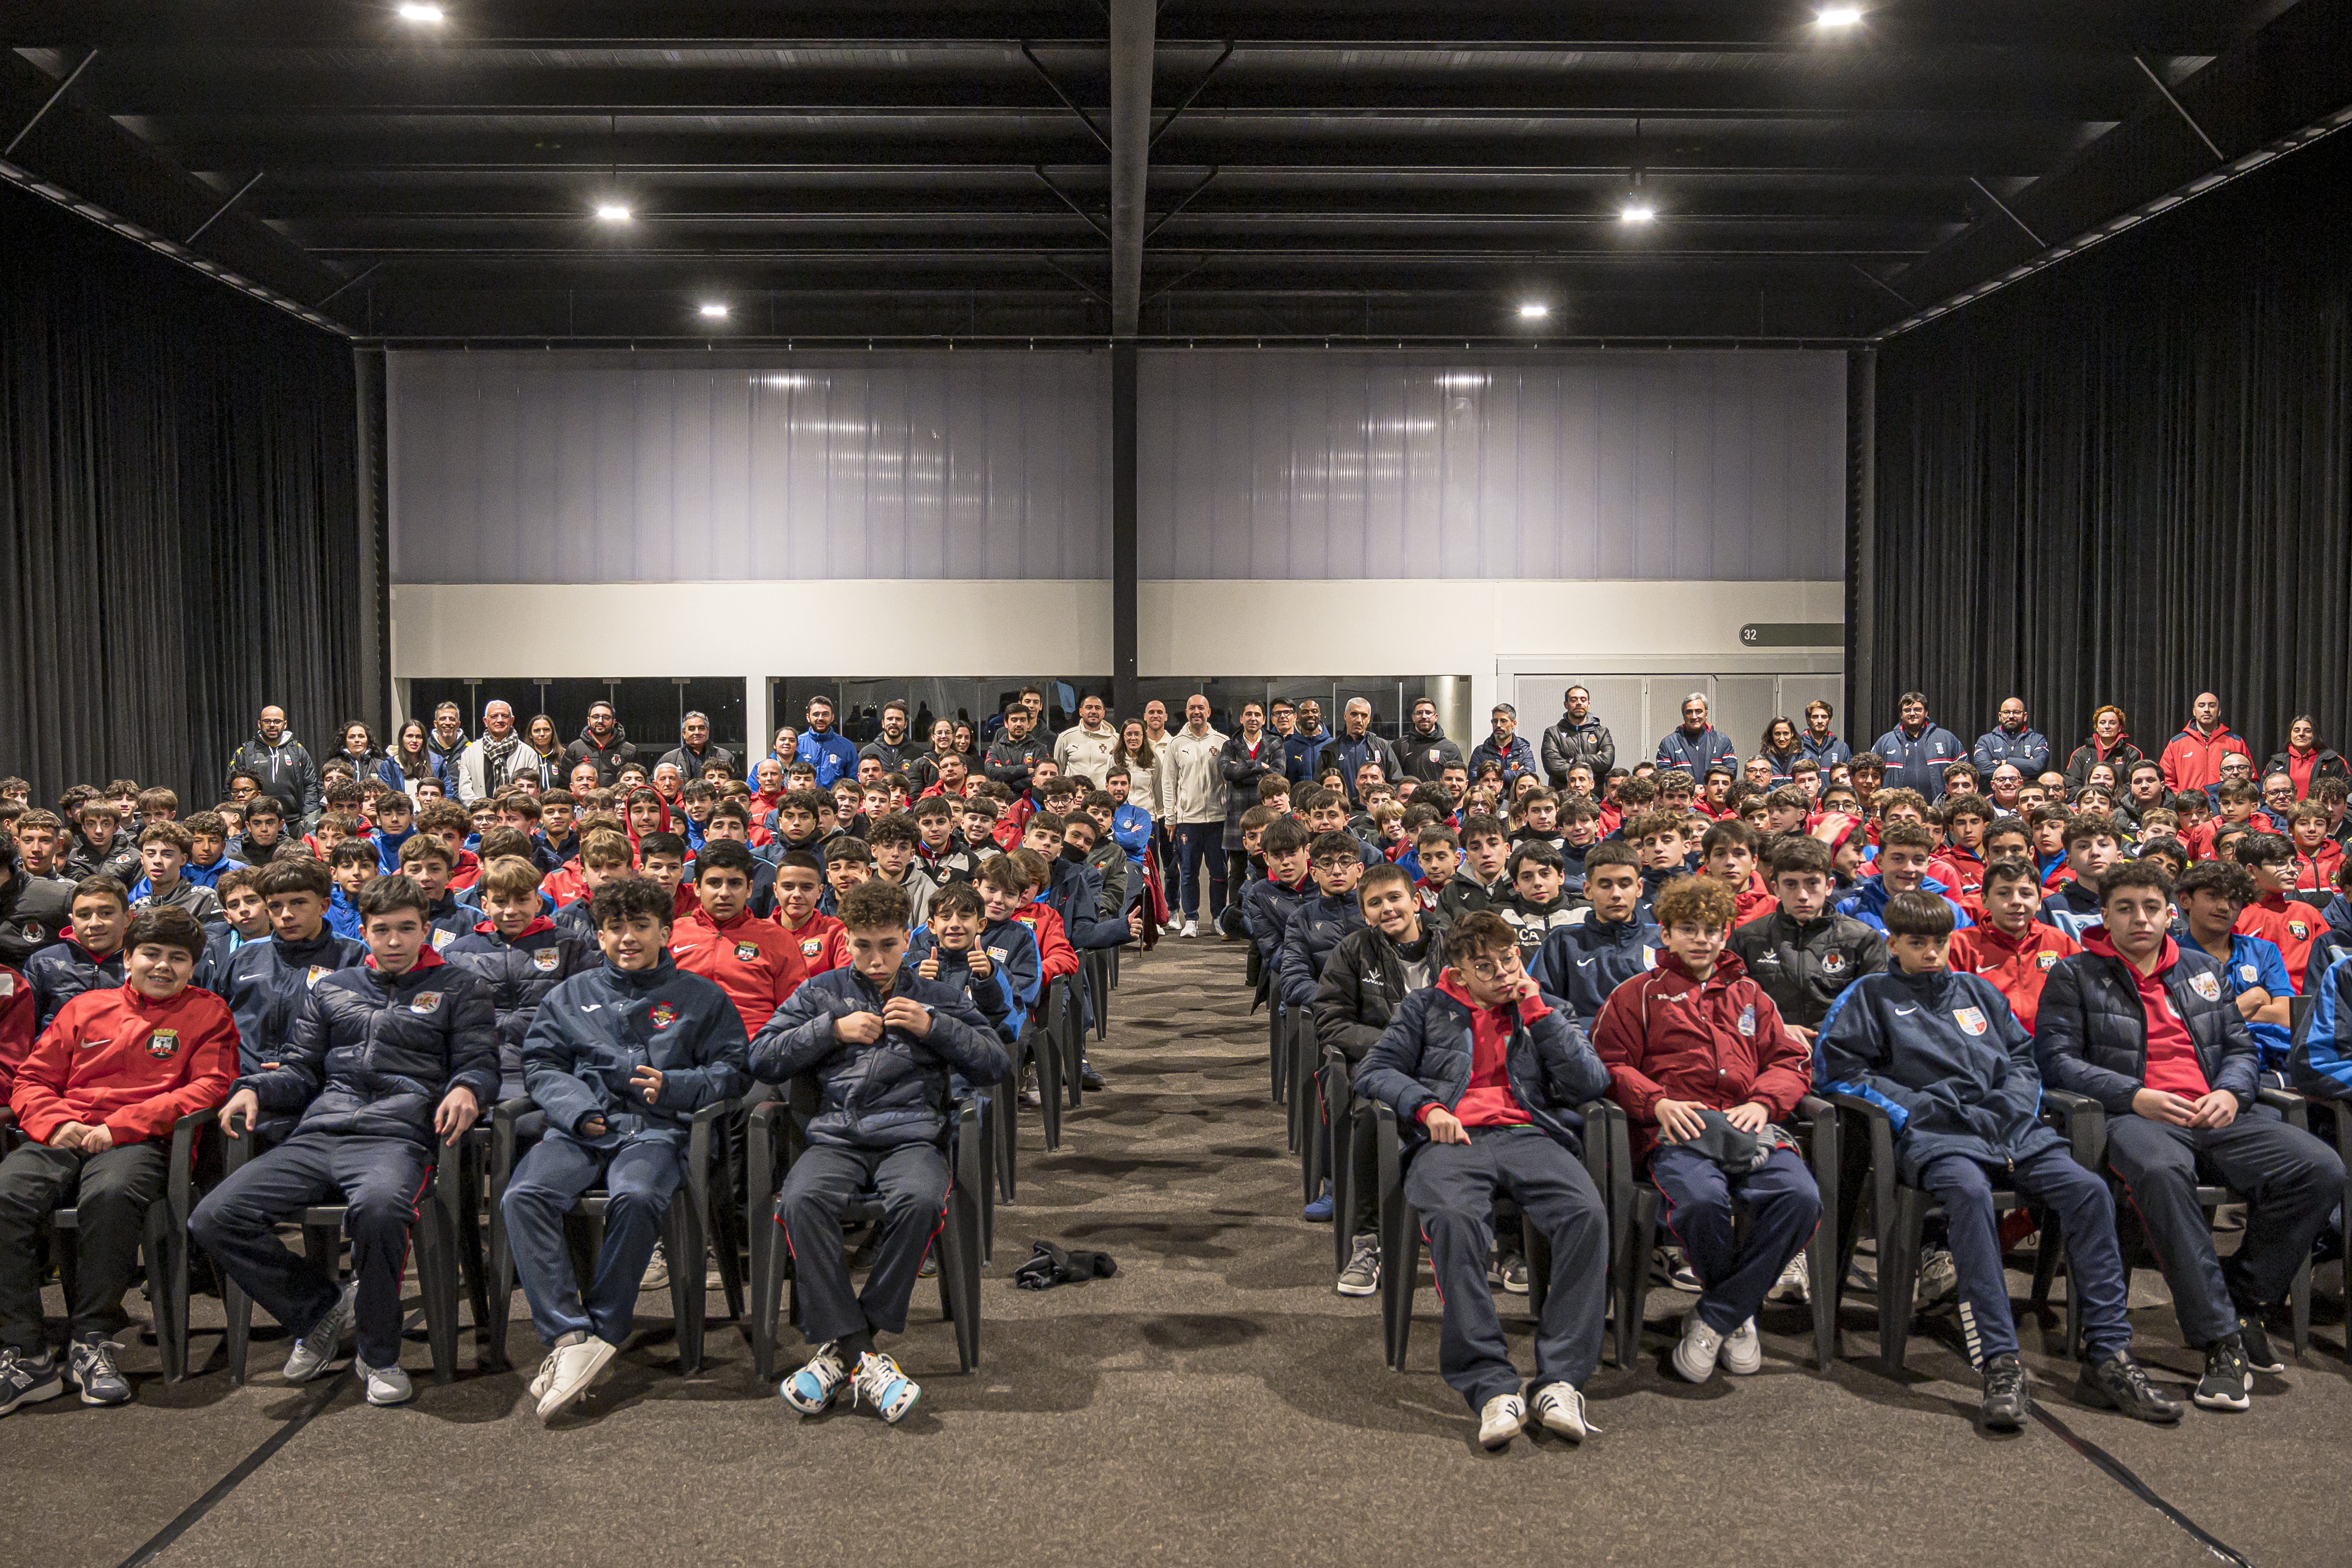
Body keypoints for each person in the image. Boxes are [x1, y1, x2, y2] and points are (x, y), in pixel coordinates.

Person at [1815, 889, 2181, 1428]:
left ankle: (2107, 1355)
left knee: (2088, 1191)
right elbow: (1838, 1074)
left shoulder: (1975, 991)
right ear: (1892, 942)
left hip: (2012, 1131)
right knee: (1966, 1195)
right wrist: (1917, 1109)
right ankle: (1999, 1360)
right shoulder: (1868, 995)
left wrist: (2010, 1104)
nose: (1930, 952)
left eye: (1939, 942)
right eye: (1916, 943)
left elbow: (2020, 1059)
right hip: (1937, 1137)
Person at [2035, 859, 2344, 1408]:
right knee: (2159, 1173)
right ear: (2103, 913)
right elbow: (2056, 1061)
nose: (2139, 919)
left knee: (2319, 1168)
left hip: (2215, 1111)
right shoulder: (2074, 973)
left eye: (2150, 907)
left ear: (2167, 913)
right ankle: (2218, 1339)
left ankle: (2244, 1301)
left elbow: (2241, 1049)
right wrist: (2134, 1095)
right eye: (2124, 908)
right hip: (2135, 1116)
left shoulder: (2198, 967)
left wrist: (2229, 1092)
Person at [190, 874, 497, 1407]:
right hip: (321, 1130)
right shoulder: (334, 987)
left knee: (380, 1211)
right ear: (365, 930)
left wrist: (468, 1088)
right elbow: (302, 1069)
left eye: (407, 929)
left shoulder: (460, 986)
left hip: (397, 1135)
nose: (395, 940)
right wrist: (253, 1089)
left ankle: (379, 1354)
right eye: (382, 930)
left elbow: (479, 1061)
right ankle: (321, 1309)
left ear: (427, 929)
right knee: (214, 1216)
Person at [749, 880, 1009, 1425]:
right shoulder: (819, 994)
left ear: (906, 941)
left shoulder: (935, 995)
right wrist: (829, 1030)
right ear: (845, 940)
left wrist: (934, 1027)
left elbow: (994, 1063)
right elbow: (763, 1058)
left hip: (911, 1137)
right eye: (863, 945)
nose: (874, 958)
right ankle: (863, 1354)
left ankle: (844, 1350)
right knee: (799, 1201)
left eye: (887, 945)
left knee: (919, 1201)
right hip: (835, 1138)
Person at [1353, 909, 1612, 1449]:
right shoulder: (1424, 1007)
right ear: (1458, 971)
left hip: (1528, 1135)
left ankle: (1560, 1379)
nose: (1501, 973)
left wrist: (1538, 1013)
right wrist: (1425, 1108)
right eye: (1485, 966)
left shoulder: (1543, 1007)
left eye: (1508, 960)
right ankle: (1490, 1384)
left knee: (1585, 1214)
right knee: (1453, 1220)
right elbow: (1374, 1069)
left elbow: (1590, 1081)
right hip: (1451, 1138)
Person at [502, 874, 749, 1421]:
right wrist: (577, 1110)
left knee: (636, 1196)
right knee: (523, 1195)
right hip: (582, 1128)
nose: (628, 938)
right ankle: (569, 1336)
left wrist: (676, 1087)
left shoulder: (702, 998)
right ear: (600, 934)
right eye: (615, 927)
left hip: (658, 1130)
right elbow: (542, 1063)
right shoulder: (569, 994)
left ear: (665, 930)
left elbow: (733, 1072)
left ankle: (605, 1331)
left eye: (641, 926)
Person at [0, 908, 236, 1415]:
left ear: (194, 967)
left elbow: (209, 1088)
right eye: (151, 954)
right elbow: (33, 1079)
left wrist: (120, 1126)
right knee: (4, 1197)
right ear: (128, 959)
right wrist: (58, 1122)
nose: (163, 967)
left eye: (178, 959)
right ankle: (25, 1354)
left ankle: (93, 1340)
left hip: (142, 1141)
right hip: (64, 1130)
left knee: (108, 1197)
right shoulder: (85, 1007)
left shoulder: (209, 1011)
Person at [1591, 874, 1819, 1386]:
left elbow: (1789, 1059)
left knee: (1801, 1198)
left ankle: (1719, 1314)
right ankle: (1736, 1311)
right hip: (1678, 1132)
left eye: (1712, 930)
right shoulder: (1637, 994)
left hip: (1748, 1129)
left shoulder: (1750, 994)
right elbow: (1608, 1066)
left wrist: (1764, 1102)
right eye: (1688, 929)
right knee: (1700, 1203)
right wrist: (1657, 1102)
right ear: (1665, 934)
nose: (1701, 939)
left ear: (1725, 934)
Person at [1312, 862, 1451, 1296]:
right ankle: (1367, 1241)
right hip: (1383, 1068)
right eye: (1375, 903)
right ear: (1365, 913)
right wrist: (1396, 1045)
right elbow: (1332, 1022)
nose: (1387, 909)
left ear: (1416, 900)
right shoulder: (1353, 952)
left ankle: (1504, 1241)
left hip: (1449, 1066)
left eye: (1395, 898)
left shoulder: (1453, 946)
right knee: (1372, 1120)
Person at [1944, 857, 2078, 1033]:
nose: (2016, 901)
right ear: (1985, 900)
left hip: (2051, 1046)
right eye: (2003, 893)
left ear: (2039, 902)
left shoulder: (2061, 942)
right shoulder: (1960, 945)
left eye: (2026, 893)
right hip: (1989, 1048)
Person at [1164, 694, 1229, 938]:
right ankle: (1190, 918)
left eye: (1201, 708)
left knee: (1219, 872)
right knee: (1189, 872)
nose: (1196, 712)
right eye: (1192, 708)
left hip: (1217, 819)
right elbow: (1168, 783)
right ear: (1186, 711)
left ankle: (1218, 917)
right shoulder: (1176, 743)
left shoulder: (1222, 741)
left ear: (1209, 712)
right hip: (1188, 821)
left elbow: (1229, 781)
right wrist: (1171, 817)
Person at [224, 705, 321, 825]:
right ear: (260, 724)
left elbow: (311, 786)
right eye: (267, 721)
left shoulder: (298, 751)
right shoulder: (245, 752)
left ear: (285, 724)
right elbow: (230, 789)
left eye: (277, 721)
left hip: (295, 822)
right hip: (257, 823)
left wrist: (308, 817)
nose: (272, 725)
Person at [1870, 692, 1965, 800]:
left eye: (1918, 710)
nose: (1912, 713)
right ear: (1901, 715)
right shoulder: (1885, 742)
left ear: (1926, 713)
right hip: (1896, 809)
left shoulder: (1947, 739)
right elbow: (1871, 776)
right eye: (1907, 710)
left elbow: (1964, 772)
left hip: (1938, 810)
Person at [2157, 692, 2254, 797]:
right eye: (2201, 706)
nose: (2207, 709)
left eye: (2212, 706)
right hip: (2188, 808)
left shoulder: (2236, 742)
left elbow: (2251, 778)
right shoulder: (2177, 743)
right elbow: (2165, 779)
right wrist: (2180, 799)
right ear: (2194, 712)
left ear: (2219, 712)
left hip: (2226, 806)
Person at [1540, 686, 1615, 788]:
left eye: (1583, 700)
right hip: (1563, 796)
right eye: (1574, 700)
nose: (1579, 703)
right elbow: (1553, 767)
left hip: (1595, 797)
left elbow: (1607, 762)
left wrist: (1575, 760)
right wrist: (1591, 769)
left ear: (1588, 705)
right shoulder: (1553, 733)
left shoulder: (1601, 732)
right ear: (1566, 705)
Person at [2262, 715, 2349, 799]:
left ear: (2315, 735)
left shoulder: (2334, 761)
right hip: (2282, 814)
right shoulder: (2276, 762)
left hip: (2321, 813)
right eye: (2297, 731)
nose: (2301, 734)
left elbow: (2348, 793)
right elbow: (2263, 792)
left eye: (2307, 731)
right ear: (2291, 735)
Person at [1972, 697, 2051, 780]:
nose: (2011, 716)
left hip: (2027, 791)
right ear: (2000, 716)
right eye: (2006, 712)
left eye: (2017, 712)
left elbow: (2037, 765)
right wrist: (2020, 777)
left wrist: (2002, 762)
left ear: (2025, 716)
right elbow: (1982, 767)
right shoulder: (1986, 741)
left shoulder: (2037, 739)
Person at [1656, 693, 1736, 775]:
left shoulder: (1722, 741)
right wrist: (1691, 788)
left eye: (1699, 711)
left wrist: (1708, 788)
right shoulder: (1669, 743)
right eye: (1689, 712)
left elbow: (1730, 773)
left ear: (1706, 715)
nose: (1694, 717)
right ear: (1684, 716)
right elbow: (1664, 777)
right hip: (1684, 789)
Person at [563, 701, 638, 787]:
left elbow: (636, 783)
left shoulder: (629, 751)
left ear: (613, 723)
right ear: (589, 721)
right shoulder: (575, 749)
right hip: (585, 800)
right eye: (596, 717)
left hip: (617, 800)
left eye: (606, 718)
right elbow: (565, 784)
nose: (600, 721)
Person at [1053, 694, 1119, 788]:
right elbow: (1058, 771)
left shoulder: (1116, 739)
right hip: (1075, 798)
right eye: (1089, 708)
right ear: (1081, 712)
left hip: (1104, 798)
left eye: (1098, 708)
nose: (1093, 711)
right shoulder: (1065, 737)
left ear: (1103, 713)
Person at [795, 696, 861, 789]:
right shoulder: (797, 745)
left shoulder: (847, 747)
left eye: (825, 714)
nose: (820, 718)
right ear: (808, 717)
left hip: (833, 802)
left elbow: (853, 784)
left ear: (832, 718)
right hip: (803, 802)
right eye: (816, 714)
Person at [1398, 697, 1466, 783]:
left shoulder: (1450, 749)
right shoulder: (1401, 745)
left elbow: (1458, 780)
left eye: (1428, 713)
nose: (1424, 716)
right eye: (1419, 713)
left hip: (1439, 796)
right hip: (1411, 796)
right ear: (1413, 718)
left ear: (1436, 717)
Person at [1468, 704, 1537, 789]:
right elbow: (1474, 780)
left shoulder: (1523, 750)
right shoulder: (1481, 752)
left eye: (1503, 721)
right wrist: (1516, 774)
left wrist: (1490, 775)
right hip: (1488, 799)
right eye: (1495, 721)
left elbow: (1529, 777)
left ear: (1514, 724)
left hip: (1516, 800)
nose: (1498, 725)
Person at [659, 710, 734, 782]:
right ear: (684, 734)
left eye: (701, 728)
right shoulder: (669, 760)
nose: (697, 732)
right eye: (692, 729)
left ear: (708, 731)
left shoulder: (726, 757)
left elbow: (737, 787)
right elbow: (656, 786)